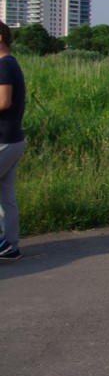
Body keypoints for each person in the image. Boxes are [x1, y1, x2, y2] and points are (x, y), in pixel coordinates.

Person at [0, 21, 26, 261]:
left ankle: (4, 243)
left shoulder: (3, 65)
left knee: (6, 195)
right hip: (13, 138)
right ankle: (10, 244)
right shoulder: (11, 63)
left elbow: (3, 101)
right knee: (6, 195)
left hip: (4, 139)